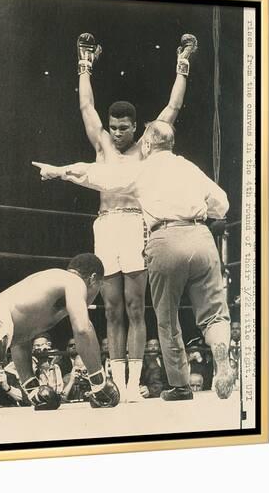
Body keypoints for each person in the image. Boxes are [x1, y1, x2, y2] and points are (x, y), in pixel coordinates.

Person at [32, 121, 234, 400]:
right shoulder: (189, 167)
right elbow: (222, 204)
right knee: (214, 313)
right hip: (201, 235)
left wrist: (60, 172)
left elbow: (96, 175)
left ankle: (180, 386)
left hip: (165, 237)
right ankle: (221, 351)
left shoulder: (141, 169)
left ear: (148, 144)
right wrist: (196, 210)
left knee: (167, 318)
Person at [58, 32, 197, 403]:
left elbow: (172, 108)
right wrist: (84, 64)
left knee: (136, 307)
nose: (117, 133)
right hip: (106, 227)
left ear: (135, 127)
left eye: (123, 128)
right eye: (113, 126)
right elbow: (86, 107)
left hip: (135, 223)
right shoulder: (102, 143)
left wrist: (182, 63)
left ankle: (134, 382)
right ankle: (116, 379)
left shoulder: (147, 146)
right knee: (111, 308)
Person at [0, 253, 119, 409]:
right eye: (99, 288)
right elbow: (83, 330)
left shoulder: (52, 285)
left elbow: (20, 338)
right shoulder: (75, 282)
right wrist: (99, 384)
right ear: (92, 279)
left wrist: (32, 388)